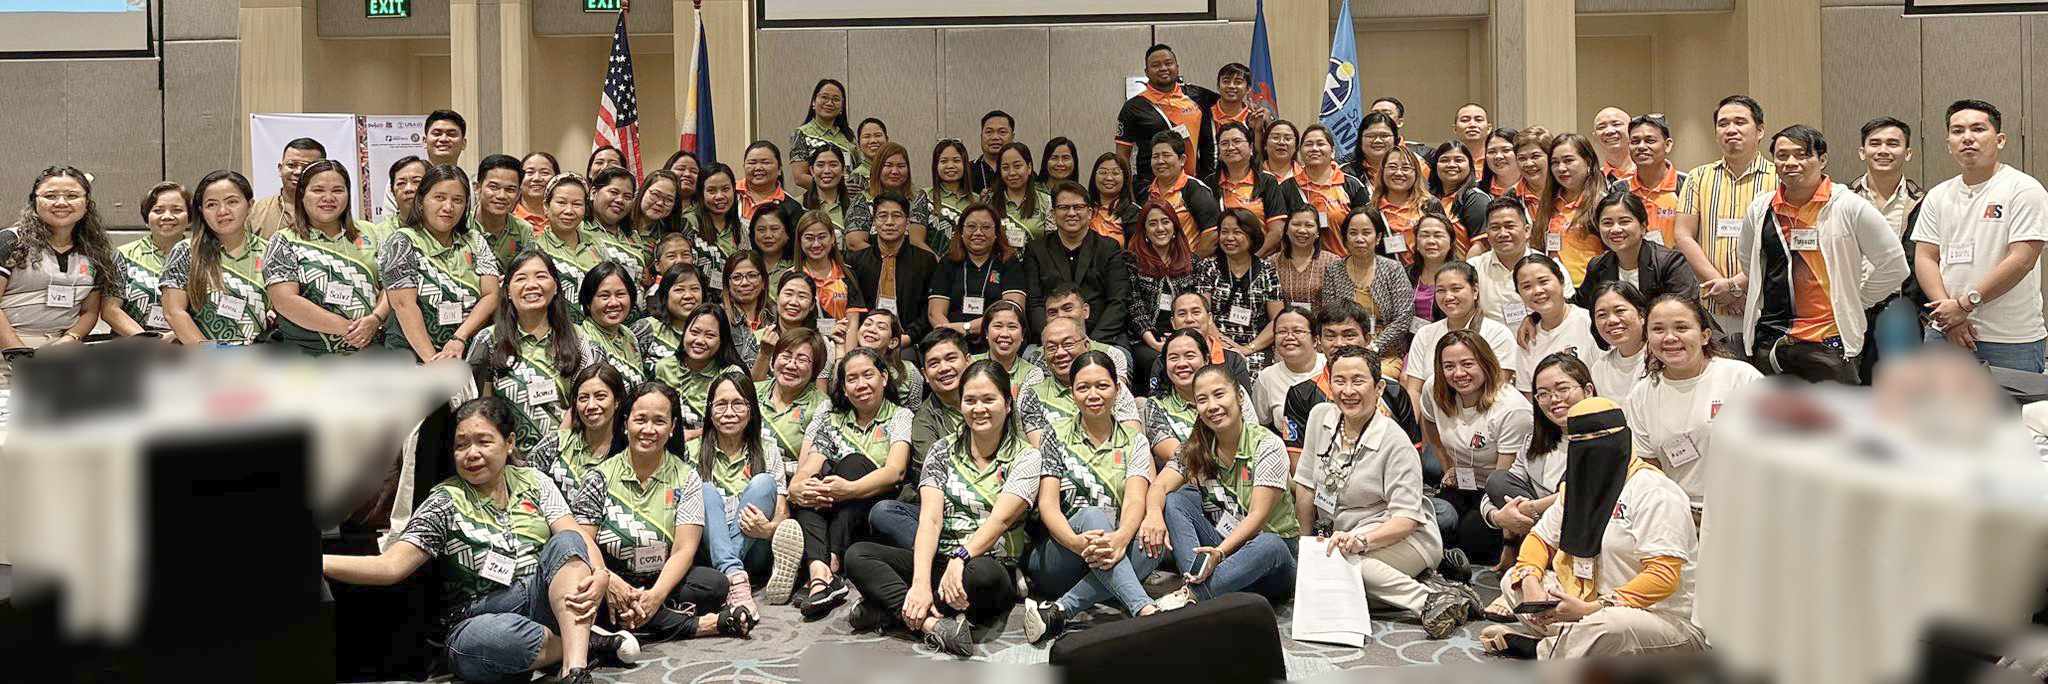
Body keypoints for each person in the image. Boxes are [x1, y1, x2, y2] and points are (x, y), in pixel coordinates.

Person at [319, 398, 632, 684]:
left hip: (541, 598)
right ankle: (582, 642)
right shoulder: (445, 501)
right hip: (476, 618)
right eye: (461, 445)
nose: (472, 453)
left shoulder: (535, 481)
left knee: (565, 542)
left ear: (509, 443)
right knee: (491, 642)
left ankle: (574, 672)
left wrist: (602, 575)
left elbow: (574, 535)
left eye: (484, 442)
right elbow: (391, 566)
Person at [1482, 397, 1705, 661]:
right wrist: (1531, 583)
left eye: (1600, 436)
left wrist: (1592, 609)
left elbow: (1663, 575)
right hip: (1586, 601)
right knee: (1514, 581)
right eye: (1580, 440)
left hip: (1656, 617)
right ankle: (1572, 643)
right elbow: (1540, 539)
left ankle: (1542, 649)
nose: (1591, 446)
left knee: (1609, 627)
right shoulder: (1577, 489)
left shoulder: (1654, 491)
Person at [841, 359, 1037, 657]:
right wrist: (920, 582)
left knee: (980, 577)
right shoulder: (942, 450)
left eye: (989, 399)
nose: (979, 408)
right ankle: (932, 624)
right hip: (942, 560)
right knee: (858, 555)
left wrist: (961, 558)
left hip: (990, 564)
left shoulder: (1027, 457)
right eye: (970, 400)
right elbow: (930, 519)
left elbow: (999, 521)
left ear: (1007, 404)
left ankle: (885, 610)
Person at [1293, 344, 1473, 639]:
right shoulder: (1319, 418)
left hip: (1402, 537)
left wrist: (1361, 541)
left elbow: (1406, 520)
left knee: (1347, 576)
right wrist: (1305, 542)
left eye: (1358, 381)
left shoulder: (1394, 441)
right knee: (1322, 582)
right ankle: (1433, 581)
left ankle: (1429, 600)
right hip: (1340, 538)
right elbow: (1306, 485)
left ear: (1378, 388)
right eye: (1339, 380)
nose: (1348, 390)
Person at [1022, 352, 1188, 643]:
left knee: (1155, 542)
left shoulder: (1134, 440)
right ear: (1072, 392)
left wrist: (1121, 538)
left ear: (1118, 389)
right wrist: (1077, 543)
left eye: (1102, 385)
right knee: (1091, 515)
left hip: (1112, 549)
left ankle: (1060, 609)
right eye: (1083, 387)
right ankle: (1144, 610)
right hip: (1061, 554)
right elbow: (1048, 506)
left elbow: (1136, 499)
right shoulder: (1054, 435)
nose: (1093, 394)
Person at [574, 382, 754, 641]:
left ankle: (630, 623)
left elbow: (684, 549)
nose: (648, 430)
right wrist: (610, 582)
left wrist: (655, 597)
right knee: (585, 589)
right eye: (640, 420)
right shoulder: (599, 477)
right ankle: (698, 625)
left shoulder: (687, 477)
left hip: (662, 578)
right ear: (626, 424)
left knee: (714, 586)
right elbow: (583, 543)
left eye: (659, 421)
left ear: (672, 428)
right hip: (612, 575)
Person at [1735, 125, 1909, 384]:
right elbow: (1749, 261)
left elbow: (1895, 266)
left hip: (1830, 341)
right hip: (1772, 339)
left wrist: (1857, 300)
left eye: (1802, 154)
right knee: (1774, 420)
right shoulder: (1761, 208)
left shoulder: (1850, 207)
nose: (1791, 163)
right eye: (1782, 156)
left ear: (1823, 159)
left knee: (1836, 421)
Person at [1140, 364, 1298, 602]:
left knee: (1270, 543)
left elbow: (1257, 518)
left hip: (1270, 563)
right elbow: (1159, 486)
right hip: (1223, 552)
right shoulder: (1197, 446)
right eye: (1202, 399)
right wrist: (1153, 513)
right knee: (1176, 500)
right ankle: (1199, 581)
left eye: (1219, 394)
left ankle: (1192, 594)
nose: (1212, 406)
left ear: (1240, 396)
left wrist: (1220, 553)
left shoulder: (1267, 445)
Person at [1913, 99, 2048, 372]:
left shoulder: (2023, 189)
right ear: (1948, 141)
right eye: (1958, 131)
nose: (1967, 138)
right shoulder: (1938, 195)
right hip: (1945, 333)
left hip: (2010, 339)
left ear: (1999, 139)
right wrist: (1951, 316)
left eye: (1978, 129)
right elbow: (1926, 257)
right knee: (1939, 414)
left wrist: (1965, 305)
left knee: (2007, 415)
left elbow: (2022, 259)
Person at [789, 349, 914, 618]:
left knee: (853, 463)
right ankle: (821, 573)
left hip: (874, 513)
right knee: (811, 486)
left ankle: (829, 561)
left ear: (883, 377)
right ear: (844, 389)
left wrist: (850, 489)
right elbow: (811, 465)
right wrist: (797, 485)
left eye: (867, 375)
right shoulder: (833, 419)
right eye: (852, 379)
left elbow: (896, 471)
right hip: (836, 509)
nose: (861, 385)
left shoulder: (900, 416)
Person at [1625, 294, 1762, 513]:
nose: (1669, 337)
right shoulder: (1641, 396)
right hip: (1681, 515)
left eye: (1681, 327)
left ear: (1705, 335)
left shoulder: (1740, 378)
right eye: (1658, 330)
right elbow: (1650, 467)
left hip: (1743, 510)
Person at [681, 371, 797, 616]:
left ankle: (730, 574)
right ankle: (734, 575)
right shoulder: (691, 452)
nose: (729, 412)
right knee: (705, 490)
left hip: (755, 547)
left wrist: (766, 530)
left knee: (764, 483)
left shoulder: (768, 449)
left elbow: (782, 514)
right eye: (721, 404)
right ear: (710, 410)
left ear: (751, 409)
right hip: (705, 547)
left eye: (738, 404)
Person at [1417, 328, 1533, 568]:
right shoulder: (1434, 389)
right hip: (1460, 478)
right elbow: (1428, 421)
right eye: (1449, 366)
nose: (1458, 373)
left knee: (1470, 537)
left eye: (1468, 364)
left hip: (1494, 492)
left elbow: (1504, 483)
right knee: (1432, 523)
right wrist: (1447, 466)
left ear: (1485, 363)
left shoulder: (1511, 409)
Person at [470, 250, 594, 454]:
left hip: (565, 452)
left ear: (555, 287)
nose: (532, 285)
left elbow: (585, 397)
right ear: (508, 291)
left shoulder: (577, 337)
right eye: (521, 278)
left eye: (541, 276)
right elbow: (478, 409)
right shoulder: (488, 340)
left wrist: (552, 449)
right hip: (506, 459)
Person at [380, 165, 502, 362]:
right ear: (421, 201)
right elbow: (404, 305)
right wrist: (434, 361)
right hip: (410, 356)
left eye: (457, 200)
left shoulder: (475, 240)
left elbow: (491, 294)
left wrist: (459, 337)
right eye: (439, 197)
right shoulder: (402, 242)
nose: (448, 207)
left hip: (464, 351)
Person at [0, 165, 118, 369]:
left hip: (62, 356)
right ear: (34, 201)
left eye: (72, 196)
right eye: (51, 195)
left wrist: (71, 338)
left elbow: (90, 311)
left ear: (87, 204)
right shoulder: (11, 240)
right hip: (7, 354)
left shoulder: (95, 251)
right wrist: (18, 355)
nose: (61, 203)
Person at [1678, 95, 1778, 333]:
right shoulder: (1698, 177)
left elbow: (1780, 244)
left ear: (1760, 130)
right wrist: (1722, 288)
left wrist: (1736, 286)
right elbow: (1683, 235)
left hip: (1764, 303)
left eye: (1740, 122)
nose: (1731, 129)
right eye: (1723, 124)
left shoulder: (1779, 178)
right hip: (1712, 303)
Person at [263, 159, 385, 355]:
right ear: (302, 195)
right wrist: (350, 329)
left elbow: (391, 286)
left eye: (337, 190)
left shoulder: (371, 232)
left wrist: (375, 319)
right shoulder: (283, 240)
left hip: (369, 353)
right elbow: (285, 301)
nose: (328, 198)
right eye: (318, 190)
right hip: (305, 358)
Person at [1849, 116, 1926, 367]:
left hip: (1899, 308)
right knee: (1848, 387)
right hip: (1850, 306)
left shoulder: (1924, 202)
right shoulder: (1841, 199)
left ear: (1908, 152)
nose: (1883, 150)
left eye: (1893, 144)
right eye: (1875, 143)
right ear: (1862, 152)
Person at [162, 170, 271, 346]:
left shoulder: (270, 251)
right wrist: (212, 357)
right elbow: (174, 312)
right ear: (201, 211)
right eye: (211, 205)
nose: (222, 211)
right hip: (201, 361)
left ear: (250, 205)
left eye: (232, 202)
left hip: (257, 361)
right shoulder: (186, 251)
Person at [1403, 261, 1521, 410]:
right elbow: (1415, 390)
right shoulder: (1425, 334)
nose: (1448, 297)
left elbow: (1496, 391)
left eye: (1456, 289)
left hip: (1484, 418)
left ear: (1475, 291)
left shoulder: (1498, 334)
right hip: (1435, 419)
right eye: (1440, 290)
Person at [1024, 181, 1130, 342]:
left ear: (1090, 212)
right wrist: (1053, 338)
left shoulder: (1109, 248)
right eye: (1064, 207)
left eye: (1078, 207)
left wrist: (1091, 341)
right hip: (1050, 340)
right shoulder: (1036, 250)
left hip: (1102, 337)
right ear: (1053, 213)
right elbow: (1035, 303)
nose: (1071, 213)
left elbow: (1118, 301)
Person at [1018, 315, 1143, 445]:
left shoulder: (1112, 389)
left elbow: (1134, 444)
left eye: (1068, 344)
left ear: (1086, 345)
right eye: (1051, 347)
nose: (1060, 353)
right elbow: (1043, 450)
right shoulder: (1034, 395)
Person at [1143, 327, 1260, 465]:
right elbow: (1176, 454)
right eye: (1173, 358)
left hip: (1245, 471)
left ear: (1206, 359)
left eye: (1190, 356)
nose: (1182, 364)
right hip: (1188, 479)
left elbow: (1254, 439)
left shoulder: (1233, 391)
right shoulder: (1156, 404)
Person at [925, 203, 1026, 350]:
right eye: (971, 226)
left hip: (996, 341)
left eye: (985, 227)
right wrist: (949, 335)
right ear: (961, 231)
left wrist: (966, 327)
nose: (978, 232)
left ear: (997, 232)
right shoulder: (948, 262)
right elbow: (935, 313)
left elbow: (1013, 309)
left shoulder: (1008, 262)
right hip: (952, 342)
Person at [1119, 43, 1218, 193]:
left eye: (1168, 63)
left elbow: (1230, 105)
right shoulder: (1133, 107)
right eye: (1156, 65)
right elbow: (1122, 157)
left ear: (1177, 67)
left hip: (1194, 185)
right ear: (1146, 72)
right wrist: (1128, 193)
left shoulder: (1198, 95)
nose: (1163, 68)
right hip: (1151, 188)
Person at [1193, 208, 1283, 370]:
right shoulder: (1208, 267)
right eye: (1224, 232)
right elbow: (1202, 314)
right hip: (1214, 342)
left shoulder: (1267, 270)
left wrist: (1248, 348)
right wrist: (1223, 344)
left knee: (1252, 371)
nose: (1229, 238)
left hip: (1255, 346)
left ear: (1251, 235)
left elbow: (1278, 320)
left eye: (1237, 232)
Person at [848, 192, 939, 343]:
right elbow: (852, 307)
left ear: (907, 222)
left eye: (897, 216)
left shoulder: (925, 261)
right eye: (882, 216)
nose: (889, 222)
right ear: (874, 222)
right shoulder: (856, 260)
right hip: (864, 338)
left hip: (909, 341)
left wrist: (909, 337)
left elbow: (928, 309)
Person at [1580, 190, 1699, 305]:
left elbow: (1684, 311)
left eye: (1624, 221)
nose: (1615, 229)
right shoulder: (1597, 266)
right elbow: (1582, 305)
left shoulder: (1670, 263)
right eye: (1607, 223)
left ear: (1643, 226)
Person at [1320, 210, 1413, 355]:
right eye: (1353, 233)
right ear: (1345, 238)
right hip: (1344, 349)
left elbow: (1404, 317)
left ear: (1378, 237)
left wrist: (1374, 347)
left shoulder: (1393, 269)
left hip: (1387, 351)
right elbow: (1329, 316)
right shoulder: (1334, 270)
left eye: (1366, 233)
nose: (1359, 239)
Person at [104, 182, 189, 338]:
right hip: (133, 347)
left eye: (177, 210)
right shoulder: (124, 254)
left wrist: (178, 336)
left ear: (190, 218)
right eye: (158, 210)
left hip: (187, 345)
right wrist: (148, 339)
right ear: (146, 217)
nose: (167, 216)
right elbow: (110, 310)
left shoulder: (201, 257)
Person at [1128, 201, 1199, 389]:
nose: (1160, 228)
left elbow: (1197, 305)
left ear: (1174, 227)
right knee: (1156, 360)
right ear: (1144, 231)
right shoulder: (1132, 262)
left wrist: (1182, 337)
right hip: (1146, 339)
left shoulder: (1192, 262)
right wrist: (1155, 342)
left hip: (1184, 334)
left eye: (1165, 222)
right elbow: (1135, 308)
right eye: (1152, 223)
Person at [1476, 197, 1572, 326]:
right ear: (1487, 233)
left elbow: (1568, 311)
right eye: (1495, 228)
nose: (1503, 233)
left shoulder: (1551, 267)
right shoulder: (1474, 268)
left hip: (1543, 342)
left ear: (1527, 231)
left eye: (1509, 226)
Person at [532, 363, 627, 494]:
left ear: (617, 401)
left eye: (600, 396)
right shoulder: (556, 443)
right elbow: (527, 484)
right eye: (583, 398)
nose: (591, 405)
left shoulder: (628, 454)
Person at [1280, 124, 1371, 256]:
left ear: (1333, 151)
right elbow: (1281, 232)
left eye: (1320, 143)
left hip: (1346, 265)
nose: (1314, 149)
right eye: (1308, 144)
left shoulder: (1351, 185)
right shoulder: (1287, 187)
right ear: (1300, 152)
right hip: (1303, 264)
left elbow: (1366, 228)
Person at [1513, 255, 1597, 395]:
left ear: (1561, 281)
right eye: (1527, 286)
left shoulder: (1590, 322)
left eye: (1543, 281)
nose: (1537, 291)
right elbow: (1529, 395)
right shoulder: (1526, 337)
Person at [655, 304, 744, 435]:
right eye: (694, 332)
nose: (700, 341)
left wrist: (693, 434)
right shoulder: (664, 367)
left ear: (722, 340)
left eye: (710, 335)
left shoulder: (730, 375)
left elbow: (736, 424)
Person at [1543, 133, 1615, 285]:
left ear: (1588, 162)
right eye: (1555, 162)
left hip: (1591, 288)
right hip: (1556, 288)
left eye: (1568, 160)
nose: (1561, 168)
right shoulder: (1549, 202)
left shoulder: (1602, 202)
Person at [1145, 131, 1226, 257]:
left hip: (1189, 269)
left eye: (1166, 155)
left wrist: (1191, 265)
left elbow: (1212, 235)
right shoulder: (1146, 192)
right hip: (1156, 269)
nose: (1160, 161)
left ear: (1182, 159)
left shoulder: (1195, 189)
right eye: (1155, 156)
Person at [535, 175, 604, 320]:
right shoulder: (535, 248)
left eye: (577, 204)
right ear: (546, 207)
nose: (569, 211)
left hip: (597, 330)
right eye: (561, 202)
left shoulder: (598, 244)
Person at [794, 209, 867, 342]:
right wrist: (826, 329)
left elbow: (852, 325)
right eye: (809, 238)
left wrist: (847, 360)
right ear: (799, 241)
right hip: (804, 348)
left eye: (822, 237)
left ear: (833, 238)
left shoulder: (847, 275)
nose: (816, 244)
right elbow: (790, 323)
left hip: (842, 344)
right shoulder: (792, 277)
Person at [1211, 123, 1288, 246]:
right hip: (1223, 258)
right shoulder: (1210, 184)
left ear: (1251, 147)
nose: (1230, 147)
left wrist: (1254, 259)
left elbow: (1277, 231)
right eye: (1224, 143)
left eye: (1236, 141)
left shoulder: (1267, 181)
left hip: (1261, 257)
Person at [1250, 307, 1322, 438]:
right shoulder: (1266, 378)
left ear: (1315, 340)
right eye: (1282, 332)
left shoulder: (1331, 367)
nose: (1289, 337)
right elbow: (1259, 427)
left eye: (1298, 331)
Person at [575, 262, 649, 387]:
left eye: (620, 294)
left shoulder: (630, 336)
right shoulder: (581, 340)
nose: (614, 303)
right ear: (588, 302)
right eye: (604, 296)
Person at [846, 142, 929, 246]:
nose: (895, 171)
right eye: (888, 165)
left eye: (901, 166)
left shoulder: (917, 197)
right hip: (870, 259)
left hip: (910, 259)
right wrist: (885, 259)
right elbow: (854, 243)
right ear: (878, 168)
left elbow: (916, 241)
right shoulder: (863, 199)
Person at [848, 308, 928, 412]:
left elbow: (916, 412)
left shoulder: (909, 371)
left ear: (893, 342)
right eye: (867, 324)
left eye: (881, 327)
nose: (871, 329)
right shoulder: (848, 366)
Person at [750, 272, 823, 382]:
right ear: (777, 298)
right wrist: (764, 354)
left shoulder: (819, 344)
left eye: (802, 296)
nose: (793, 302)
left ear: (812, 305)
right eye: (788, 294)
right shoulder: (759, 338)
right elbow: (750, 389)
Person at [1625, 116, 1685, 248]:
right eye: (1635, 141)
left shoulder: (1688, 184)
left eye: (1650, 141)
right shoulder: (1620, 188)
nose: (1641, 147)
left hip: (1678, 265)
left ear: (1667, 145)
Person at [1586, 282, 1651, 404]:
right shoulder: (1599, 369)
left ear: (1642, 314)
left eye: (1620, 310)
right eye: (1602, 315)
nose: (1611, 320)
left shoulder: (1662, 358)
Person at [249, 137, 326, 238]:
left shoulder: (329, 210)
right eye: (292, 165)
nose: (298, 172)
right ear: (280, 169)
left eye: (306, 167)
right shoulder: (257, 211)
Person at [788, 79, 855, 191]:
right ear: (813, 102)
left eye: (836, 99)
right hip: (816, 202)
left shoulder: (848, 135)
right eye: (824, 97)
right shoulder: (802, 133)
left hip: (849, 203)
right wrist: (836, 188)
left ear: (842, 107)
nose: (829, 103)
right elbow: (799, 177)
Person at [1270, 207, 1338, 312]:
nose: (1302, 230)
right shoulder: (1272, 263)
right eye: (1296, 224)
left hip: (1322, 326)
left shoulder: (1332, 262)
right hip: (1285, 326)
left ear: (1318, 232)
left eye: (1309, 225)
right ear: (1286, 230)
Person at [586, 168, 648, 282]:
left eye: (627, 197)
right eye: (614, 192)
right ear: (593, 193)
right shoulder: (579, 229)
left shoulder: (633, 236)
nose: (620, 200)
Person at [473, 154, 533, 271]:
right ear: (478, 188)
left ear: (518, 194)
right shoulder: (461, 225)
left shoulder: (524, 231)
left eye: (510, 190)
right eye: (494, 187)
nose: (501, 196)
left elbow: (529, 270)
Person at [986, 142, 1050, 250]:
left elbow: (1052, 243)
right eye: (1005, 168)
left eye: (1017, 166)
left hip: (1037, 265)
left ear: (1029, 168)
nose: (1012, 173)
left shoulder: (1046, 201)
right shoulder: (989, 202)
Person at [1430, 141, 1491, 251]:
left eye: (1459, 160)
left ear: (1470, 165)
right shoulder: (1427, 197)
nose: (1451, 165)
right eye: (1444, 160)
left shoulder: (1476, 199)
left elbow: (1481, 246)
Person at [1408, 212, 1463, 327]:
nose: (1431, 241)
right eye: (1425, 235)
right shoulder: (1406, 274)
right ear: (1416, 243)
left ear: (1451, 242)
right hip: (1411, 340)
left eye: (1438, 235)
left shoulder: (1462, 275)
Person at [923, 139, 976, 256]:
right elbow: (916, 240)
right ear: (936, 165)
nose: (950, 166)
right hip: (933, 269)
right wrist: (939, 264)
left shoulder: (977, 201)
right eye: (944, 161)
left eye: (956, 160)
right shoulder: (925, 196)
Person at [363, 156, 429, 247]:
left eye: (416, 181)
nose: (408, 189)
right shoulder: (379, 235)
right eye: (401, 183)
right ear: (392, 191)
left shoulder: (444, 229)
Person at [971, 299, 1035, 390]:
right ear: (986, 332)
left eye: (1012, 327)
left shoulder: (1032, 373)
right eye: (998, 326)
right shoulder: (970, 364)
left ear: (1022, 335)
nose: (1004, 334)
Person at [739, 141, 803, 225]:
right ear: (744, 166)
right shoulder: (729, 193)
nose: (758, 168)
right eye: (752, 162)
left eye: (765, 162)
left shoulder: (791, 208)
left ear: (779, 169)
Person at [799, 147, 854, 243]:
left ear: (843, 170)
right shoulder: (798, 206)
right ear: (812, 170)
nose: (827, 171)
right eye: (820, 165)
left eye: (833, 165)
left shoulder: (856, 206)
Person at [1209, 62, 1271, 135]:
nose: (1231, 86)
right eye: (1226, 81)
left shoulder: (1254, 117)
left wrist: (1267, 124)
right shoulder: (1205, 114)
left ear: (1248, 88)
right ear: (1218, 86)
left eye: (1238, 82)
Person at [1345, 112, 1403, 187]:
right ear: (1360, 140)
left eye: (1384, 136)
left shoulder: (1408, 169)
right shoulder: (1344, 173)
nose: (1377, 141)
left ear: (1395, 139)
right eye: (1371, 136)